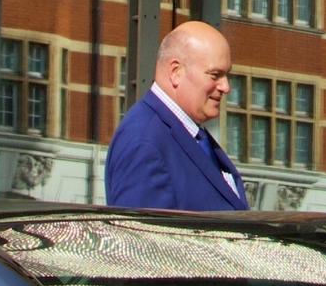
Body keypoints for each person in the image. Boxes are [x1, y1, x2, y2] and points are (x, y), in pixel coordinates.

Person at [103, 21, 252, 211]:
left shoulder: (188, 133)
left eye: (226, 75)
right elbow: (143, 237)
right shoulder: (144, 142)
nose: (226, 87)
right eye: (215, 75)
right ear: (176, 72)